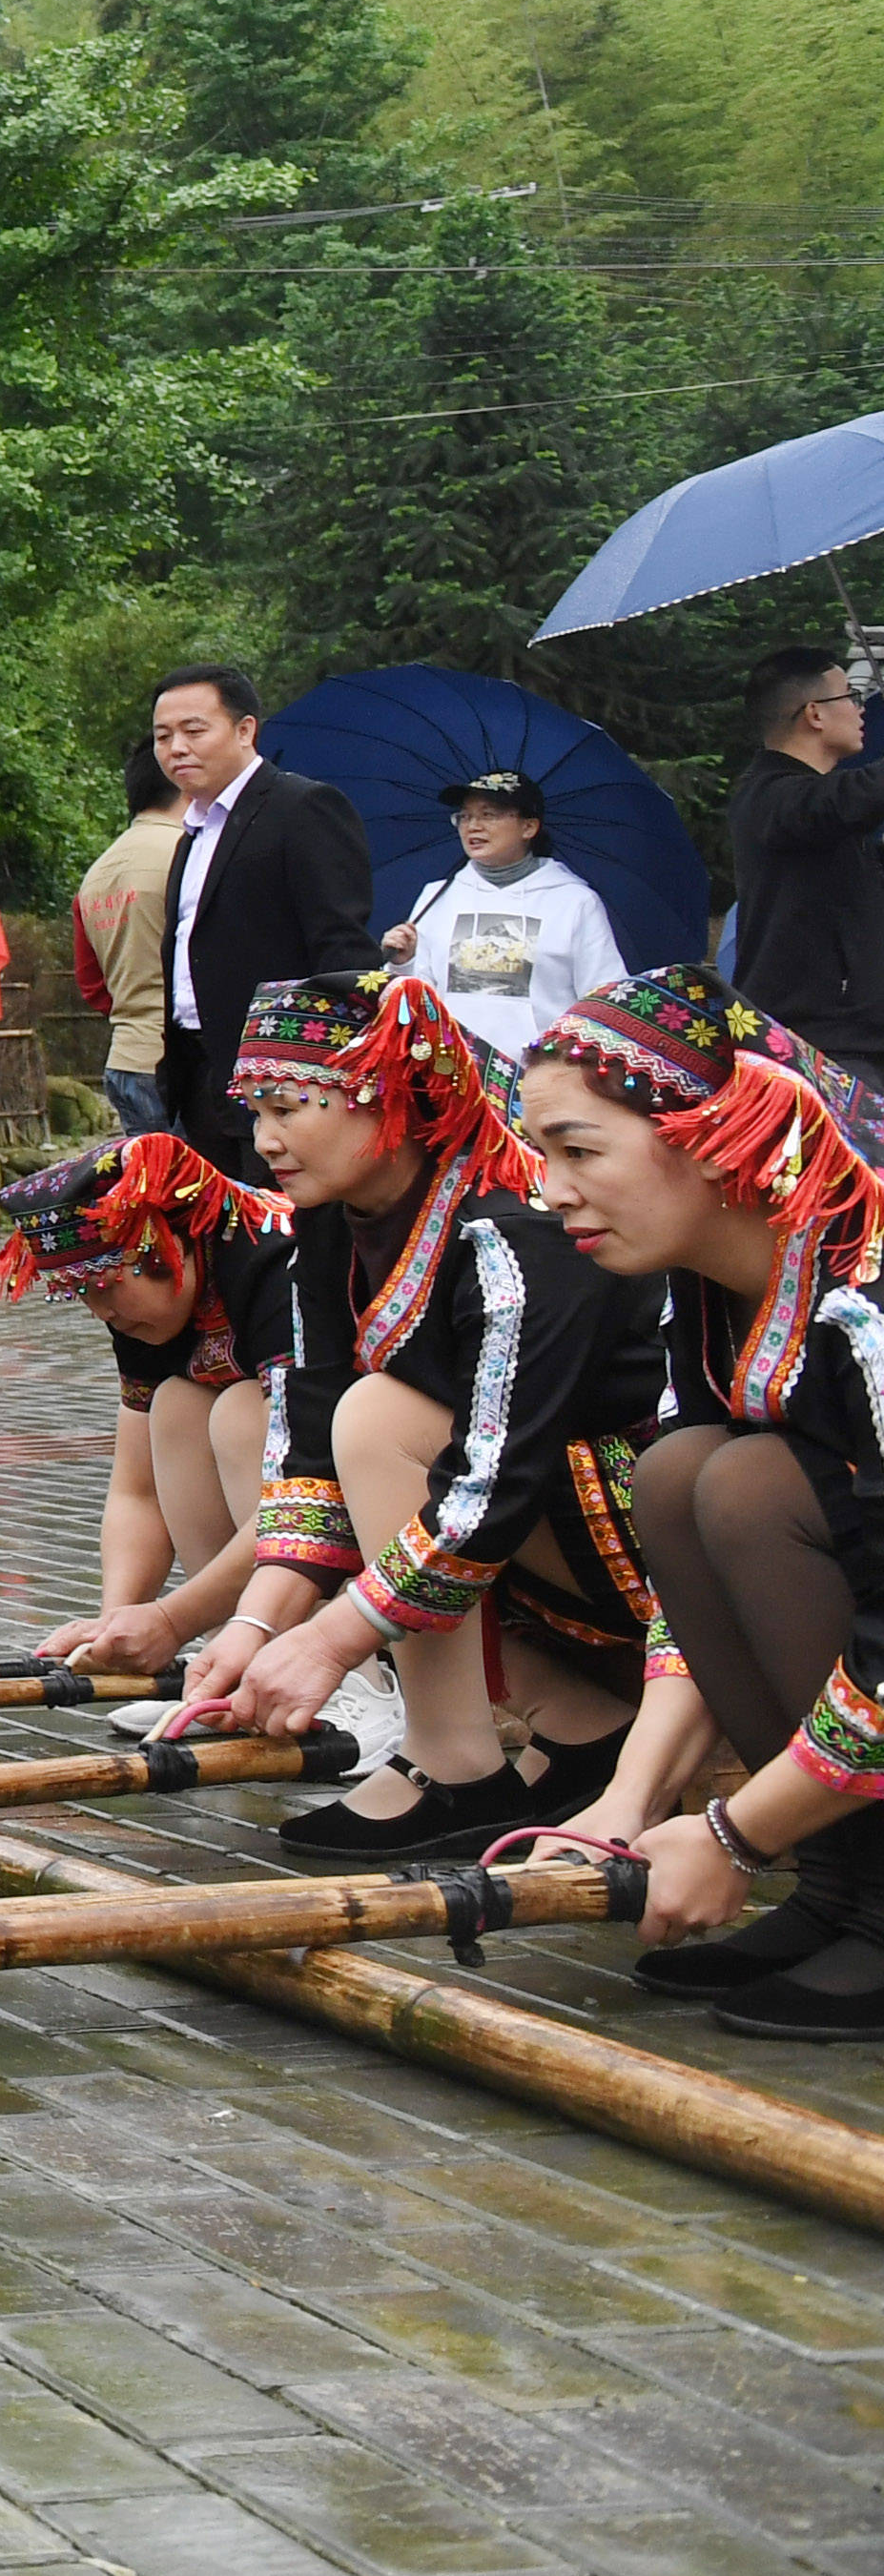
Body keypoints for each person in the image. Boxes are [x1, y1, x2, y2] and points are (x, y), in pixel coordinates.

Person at [194, 973, 667, 1855]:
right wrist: (253, 1629)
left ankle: (454, 1762)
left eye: (290, 1106)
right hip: (529, 1522)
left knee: (383, 1423)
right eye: (254, 1112)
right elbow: (308, 1427)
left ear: (391, 1093)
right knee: (346, 1424)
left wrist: (332, 1637)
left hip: (642, 1540)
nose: (264, 1143)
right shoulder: (329, 1224)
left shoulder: (511, 1224)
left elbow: (500, 1466)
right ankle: (578, 1724)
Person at [531, 967, 884, 2030]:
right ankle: (847, 1889)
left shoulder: (872, 1299)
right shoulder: (711, 1286)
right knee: (683, 1473)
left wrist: (734, 1832)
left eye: (580, 1151)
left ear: (719, 1133)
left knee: (745, 1485)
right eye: (544, 1154)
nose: (549, 1191)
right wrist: (633, 1801)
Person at [0, 1133, 324, 1743]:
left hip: (360, 1493)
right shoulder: (143, 1309)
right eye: (80, 1291)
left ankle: (333, 1667)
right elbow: (137, 1489)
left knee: (238, 1418)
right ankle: (231, 1660)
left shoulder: (279, 1265)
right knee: (177, 1404)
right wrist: (115, 1625)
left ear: (165, 1241)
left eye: (104, 1282)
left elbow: (309, 1486)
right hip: (294, 1522)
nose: (101, 1311)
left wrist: (170, 1619)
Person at [147, 664, 377, 1188]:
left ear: (245, 730)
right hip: (199, 1072)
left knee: (286, 1238)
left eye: (194, 730)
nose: (176, 748)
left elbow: (342, 948)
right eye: (163, 736)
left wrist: (331, 1073)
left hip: (284, 1076)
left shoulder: (303, 808)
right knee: (228, 1247)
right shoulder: (192, 835)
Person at [382, 767, 620, 1068]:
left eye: (489, 815)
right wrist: (402, 962)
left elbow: (604, 998)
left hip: (541, 1078)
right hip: (450, 1073)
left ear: (529, 827)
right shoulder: (437, 896)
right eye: (464, 817)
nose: (473, 826)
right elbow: (416, 999)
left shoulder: (573, 901)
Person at [729, 647, 884, 1065]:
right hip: (812, 1046)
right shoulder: (770, 796)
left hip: (850, 1040)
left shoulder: (822, 810)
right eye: (850, 696)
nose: (860, 709)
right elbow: (844, 799)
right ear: (814, 714)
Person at [70, 739, 188, 1136]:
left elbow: (92, 986)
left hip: (125, 1060)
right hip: (182, 1069)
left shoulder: (98, 872)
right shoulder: (191, 854)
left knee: (154, 1194)